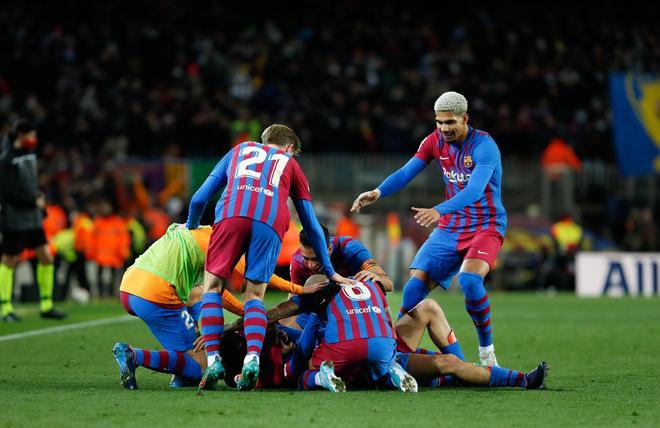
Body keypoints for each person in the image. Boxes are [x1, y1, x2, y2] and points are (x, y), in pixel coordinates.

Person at [185, 124, 351, 391]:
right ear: (289, 149)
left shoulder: (239, 150)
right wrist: (329, 269)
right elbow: (310, 224)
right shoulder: (291, 164)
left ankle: (214, 359)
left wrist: (191, 226)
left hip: (231, 214)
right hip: (270, 220)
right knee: (253, 296)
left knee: (212, 288)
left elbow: (198, 199)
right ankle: (252, 357)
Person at [351, 91, 506, 366]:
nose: (444, 128)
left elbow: (474, 190)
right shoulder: (434, 142)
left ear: (465, 118)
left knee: (470, 281)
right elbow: (406, 172)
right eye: (439, 122)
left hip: (485, 224)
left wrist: (438, 210)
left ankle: (487, 354)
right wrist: (378, 192)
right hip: (452, 227)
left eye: (450, 122)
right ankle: (398, 351)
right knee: (413, 288)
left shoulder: (484, 147)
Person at [111, 223, 324, 390]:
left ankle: (180, 375)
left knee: (196, 296)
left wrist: (249, 316)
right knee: (201, 368)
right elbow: (261, 276)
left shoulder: (204, 232)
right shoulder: (224, 243)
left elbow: (216, 293)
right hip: (155, 292)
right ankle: (134, 355)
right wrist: (300, 290)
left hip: (129, 286)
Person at [0, 120, 66, 321]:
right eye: (31, 136)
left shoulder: (30, 155)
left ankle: (46, 305)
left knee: (46, 256)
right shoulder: (7, 159)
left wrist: (37, 197)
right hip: (15, 217)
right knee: (9, 260)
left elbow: (28, 185)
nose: (34, 140)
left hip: (32, 217)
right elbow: (7, 192)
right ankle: (6, 309)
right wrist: (33, 201)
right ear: (20, 136)